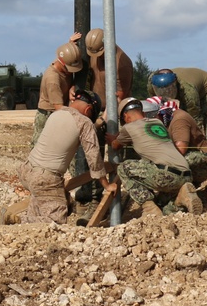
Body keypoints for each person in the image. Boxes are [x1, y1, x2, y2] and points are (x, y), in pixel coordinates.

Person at [18, 87, 116, 224]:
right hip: (46, 178)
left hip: (27, 169)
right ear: (88, 110)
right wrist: (107, 185)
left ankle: (27, 227)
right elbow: (94, 159)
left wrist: (98, 122)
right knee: (55, 220)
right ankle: (15, 221)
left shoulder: (57, 113)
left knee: (42, 205)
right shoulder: (84, 122)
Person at [106, 97, 201, 217]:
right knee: (164, 208)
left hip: (165, 175)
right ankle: (182, 196)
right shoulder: (158, 123)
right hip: (186, 174)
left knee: (123, 168)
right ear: (143, 112)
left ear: (126, 116)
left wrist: (112, 139)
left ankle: (149, 208)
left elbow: (115, 145)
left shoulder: (128, 128)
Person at [70, 29, 134, 204]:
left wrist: (107, 116)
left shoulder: (121, 62)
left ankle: (124, 194)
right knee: (92, 152)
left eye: (99, 52)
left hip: (115, 110)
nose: (96, 56)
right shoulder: (94, 53)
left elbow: (120, 94)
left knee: (119, 152)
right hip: (98, 107)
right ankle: (94, 194)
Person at [149, 67, 207, 175]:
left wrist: (198, 144)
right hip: (191, 92)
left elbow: (195, 122)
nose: (166, 93)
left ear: (175, 84)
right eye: (161, 91)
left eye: (169, 89)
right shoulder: (151, 83)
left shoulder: (188, 91)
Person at [31, 41, 83, 147]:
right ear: (63, 64)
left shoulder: (63, 62)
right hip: (48, 115)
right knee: (41, 148)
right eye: (70, 69)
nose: (71, 72)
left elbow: (66, 55)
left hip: (58, 112)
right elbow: (59, 109)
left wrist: (71, 43)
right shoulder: (52, 80)